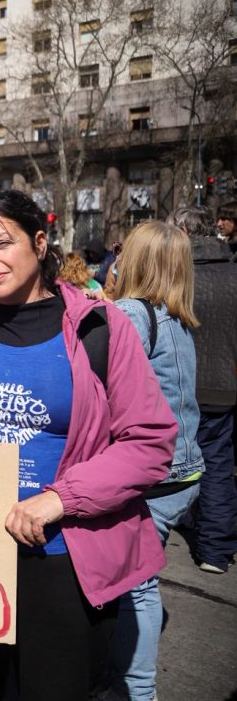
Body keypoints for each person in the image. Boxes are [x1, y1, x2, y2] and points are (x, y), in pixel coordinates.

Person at [0, 190, 176, 700]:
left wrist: (59, 499)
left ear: (39, 243)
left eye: (2, 242)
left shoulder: (101, 327)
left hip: (65, 556)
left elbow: (150, 442)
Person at [105, 221, 202, 700]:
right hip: (185, 473)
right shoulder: (178, 315)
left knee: (135, 587)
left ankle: (137, 691)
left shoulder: (130, 313)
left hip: (155, 480)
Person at [167, 205, 237, 574]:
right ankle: (215, 548)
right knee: (219, 462)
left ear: (181, 232)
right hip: (224, 385)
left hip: (180, 383)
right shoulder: (233, 273)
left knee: (177, 457)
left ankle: (182, 520)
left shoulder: (176, 274)